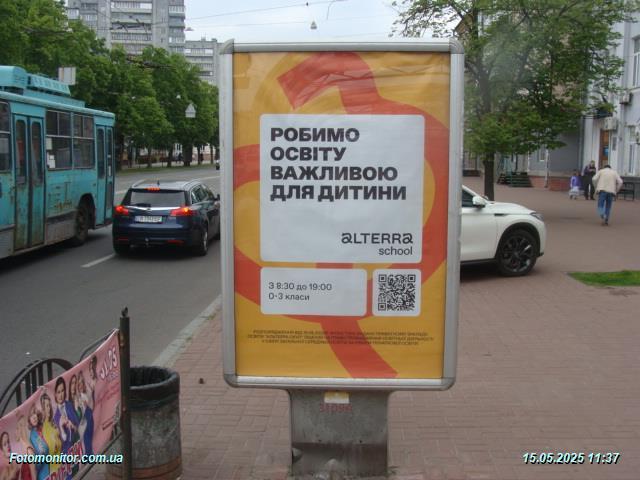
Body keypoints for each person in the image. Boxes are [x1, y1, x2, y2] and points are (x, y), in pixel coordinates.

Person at [40, 393, 62, 476]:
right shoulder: (42, 428)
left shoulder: (53, 423)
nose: (49, 408)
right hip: (52, 472)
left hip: (60, 468)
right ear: (43, 409)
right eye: (46, 406)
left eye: (49, 405)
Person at [27, 405, 49, 480]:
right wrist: (42, 455)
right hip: (45, 475)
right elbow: (35, 465)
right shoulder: (32, 437)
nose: (34, 417)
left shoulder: (44, 428)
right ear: (29, 420)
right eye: (31, 416)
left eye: (34, 413)